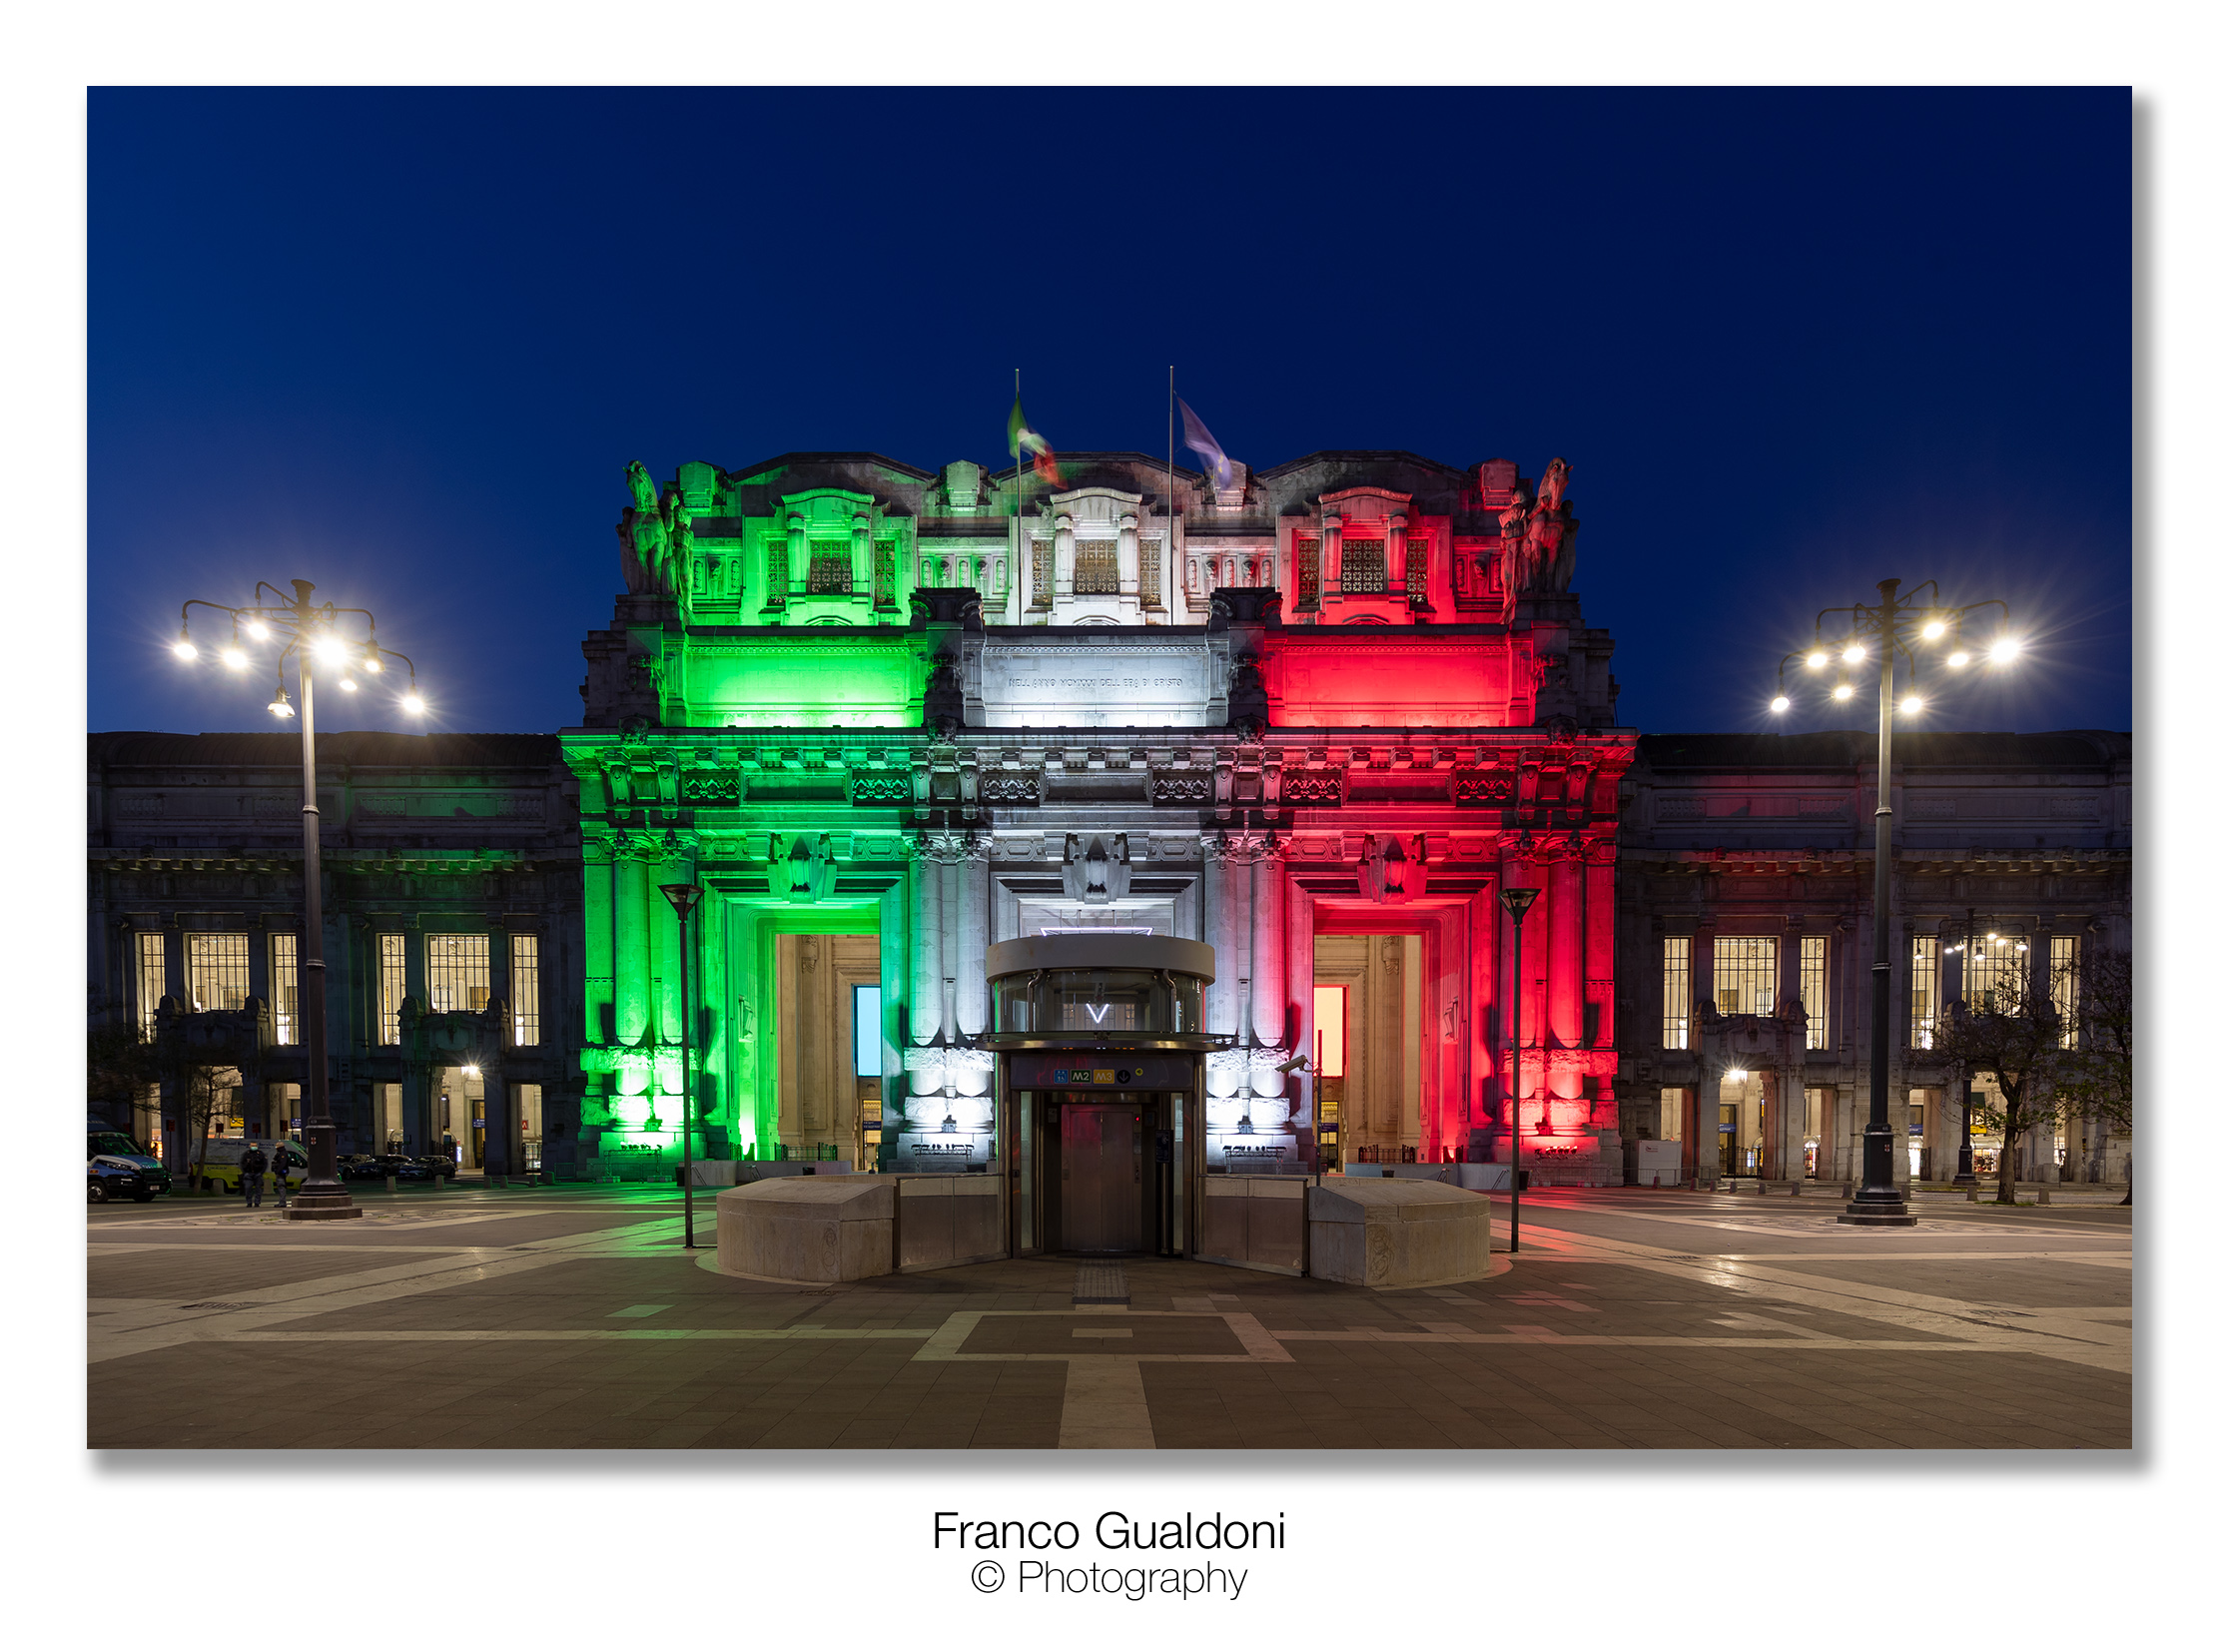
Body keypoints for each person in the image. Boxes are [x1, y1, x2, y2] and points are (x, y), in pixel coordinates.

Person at [270, 1139, 299, 1209]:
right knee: (281, 1187)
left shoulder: (282, 1154)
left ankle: (282, 1202)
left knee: (281, 1186)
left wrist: (278, 1171)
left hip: (281, 1173)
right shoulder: (282, 1153)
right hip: (282, 1172)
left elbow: (282, 1164)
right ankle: (282, 1201)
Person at [240, 1142, 268, 1209]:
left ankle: (257, 1203)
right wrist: (244, 1172)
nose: (253, 1147)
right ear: (249, 1146)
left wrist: (261, 1172)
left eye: (254, 1145)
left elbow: (264, 1164)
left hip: (258, 1173)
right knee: (248, 1188)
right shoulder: (246, 1154)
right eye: (252, 1145)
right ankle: (249, 1202)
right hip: (248, 1174)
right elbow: (242, 1163)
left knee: (258, 1189)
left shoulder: (260, 1154)